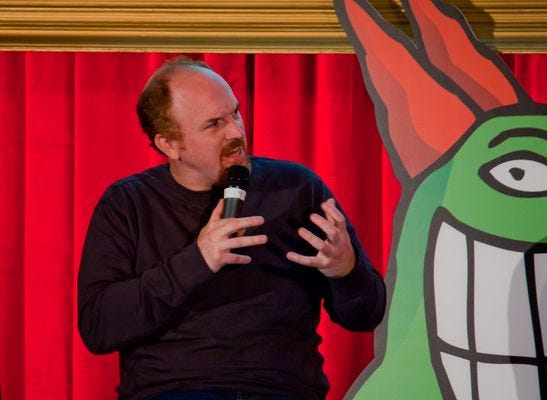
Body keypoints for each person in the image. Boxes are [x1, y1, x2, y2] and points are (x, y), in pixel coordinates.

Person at [77, 57, 386, 400]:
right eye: (214, 124)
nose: (237, 132)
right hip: (175, 391)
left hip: (280, 391)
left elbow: (367, 315)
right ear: (169, 145)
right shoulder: (128, 204)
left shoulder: (297, 189)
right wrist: (197, 260)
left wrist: (346, 271)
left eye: (235, 113)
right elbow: (98, 328)